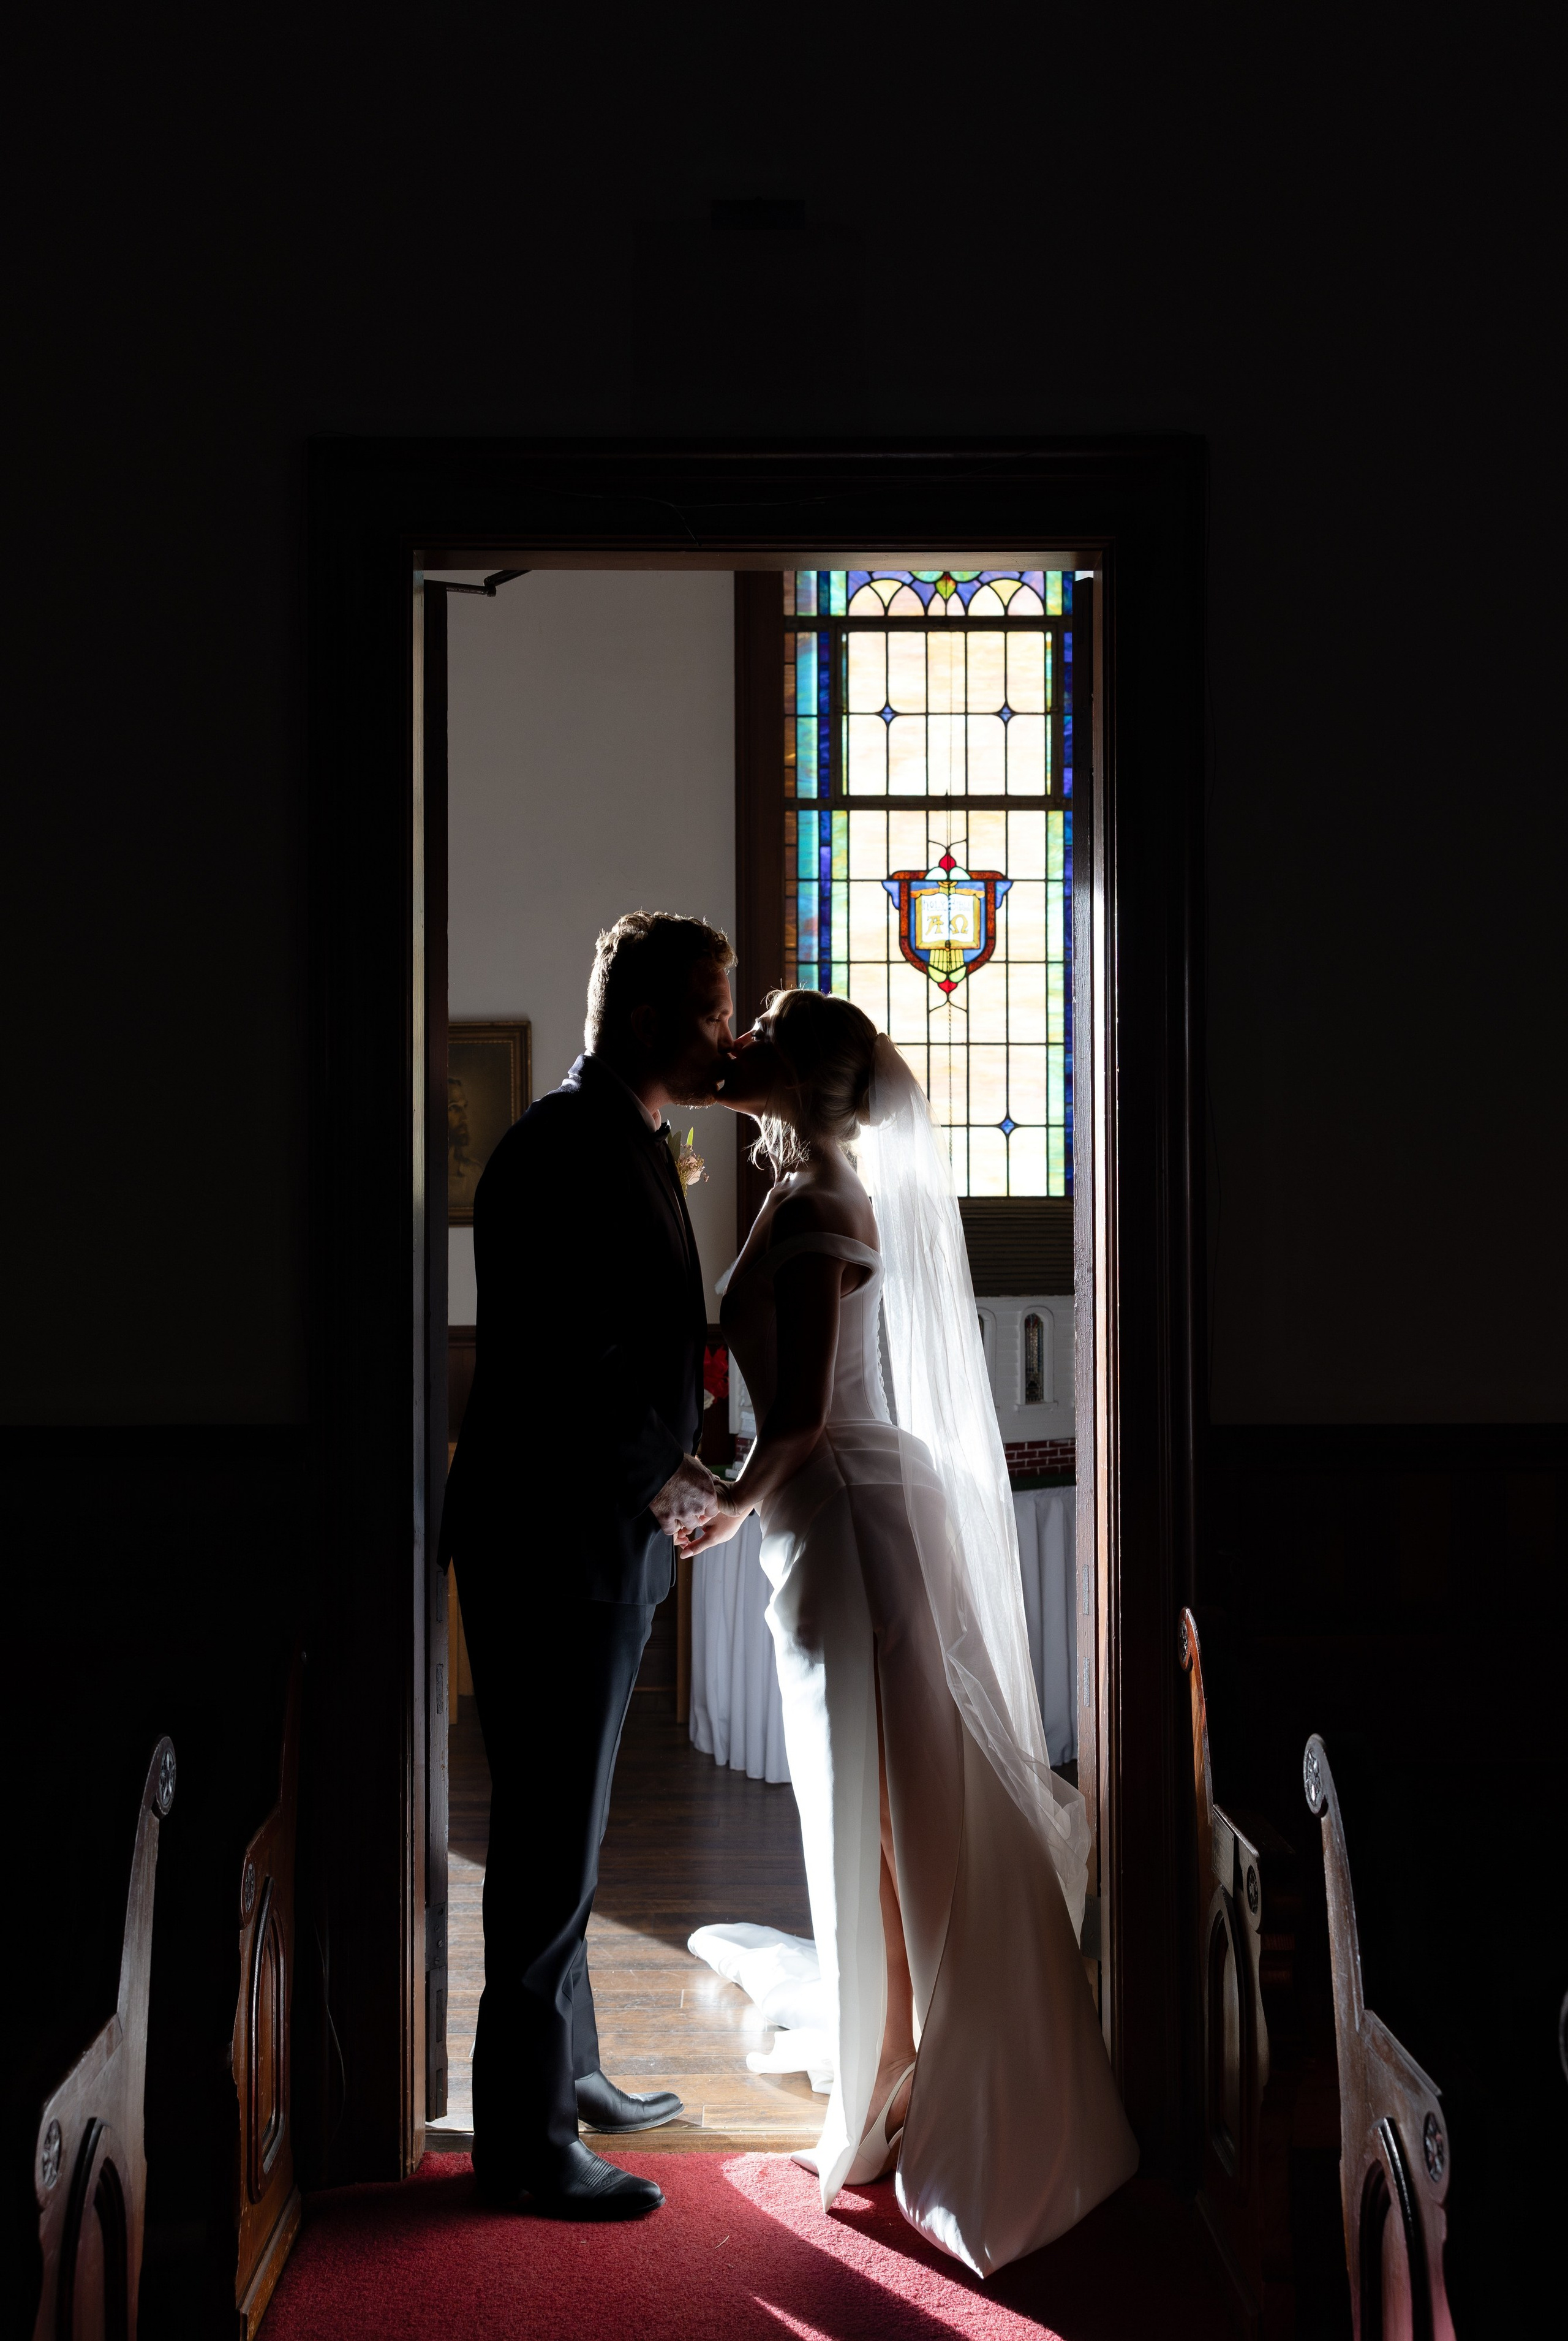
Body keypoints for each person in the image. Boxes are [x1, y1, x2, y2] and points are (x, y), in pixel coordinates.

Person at [682, 990, 1140, 2276]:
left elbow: (806, 1418)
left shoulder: (822, 1205)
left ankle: (931, 2067)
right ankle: (887, 2060)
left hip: (848, 1517)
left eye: (761, 1030)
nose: (738, 1042)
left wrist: (725, 1505)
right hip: (825, 1519)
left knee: (890, 1811)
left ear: (802, 1074)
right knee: (866, 1812)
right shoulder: (796, 1188)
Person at [440, 911, 734, 2219]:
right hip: (551, 1544)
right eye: (710, 1011)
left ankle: (573, 2066)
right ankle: (523, 2143)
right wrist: (666, 1477)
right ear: (648, 1017)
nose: (724, 1035)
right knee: (546, 1842)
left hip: (592, 1537)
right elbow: (571, 1363)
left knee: (575, 1823)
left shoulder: (623, 1136)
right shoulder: (562, 1147)